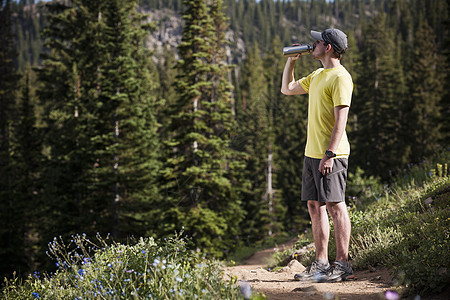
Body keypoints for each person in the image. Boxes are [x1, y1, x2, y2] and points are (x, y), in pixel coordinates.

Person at [281, 28, 354, 282]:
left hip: (331, 154)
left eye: (318, 41)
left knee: (335, 206)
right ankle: (321, 263)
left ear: (329, 48)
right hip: (312, 153)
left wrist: (330, 154)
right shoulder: (317, 75)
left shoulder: (340, 78)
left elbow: (340, 121)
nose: (313, 44)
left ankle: (342, 264)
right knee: (315, 206)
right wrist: (291, 61)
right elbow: (287, 89)